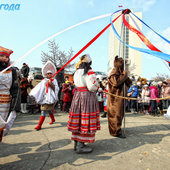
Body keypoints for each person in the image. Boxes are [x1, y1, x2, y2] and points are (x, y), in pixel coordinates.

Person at [67, 54, 100, 154]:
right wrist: (98, 87)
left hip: (77, 96)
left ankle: (77, 143)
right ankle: (80, 146)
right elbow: (91, 87)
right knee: (85, 119)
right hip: (87, 97)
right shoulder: (89, 72)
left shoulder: (76, 72)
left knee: (79, 119)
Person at [29, 61, 59, 130]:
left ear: (52, 74)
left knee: (50, 110)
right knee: (44, 110)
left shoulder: (54, 80)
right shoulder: (43, 80)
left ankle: (50, 121)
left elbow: (56, 88)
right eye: (48, 73)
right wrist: (34, 93)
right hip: (44, 98)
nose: (49, 74)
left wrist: (51, 83)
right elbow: (39, 88)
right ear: (46, 74)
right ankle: (40, 125)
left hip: (51, 98)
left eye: (50, 73)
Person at [107, 56, 131, 138]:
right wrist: (124, 75)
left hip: (121, 99)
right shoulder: (113, 74)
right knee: (115, 115)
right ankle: (115, 132)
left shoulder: (121, 74)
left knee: (120, 114)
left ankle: (118, 128)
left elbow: (129, 83)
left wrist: (125, 75)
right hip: (115, 100)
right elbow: (116, 83)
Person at [0, 46, 21, 142]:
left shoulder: (12, 71)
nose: (4, 58)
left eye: (6, 57)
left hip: (5, 103)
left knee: (1, 124)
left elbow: (15, 88)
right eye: (1, 56)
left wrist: (15, 105)